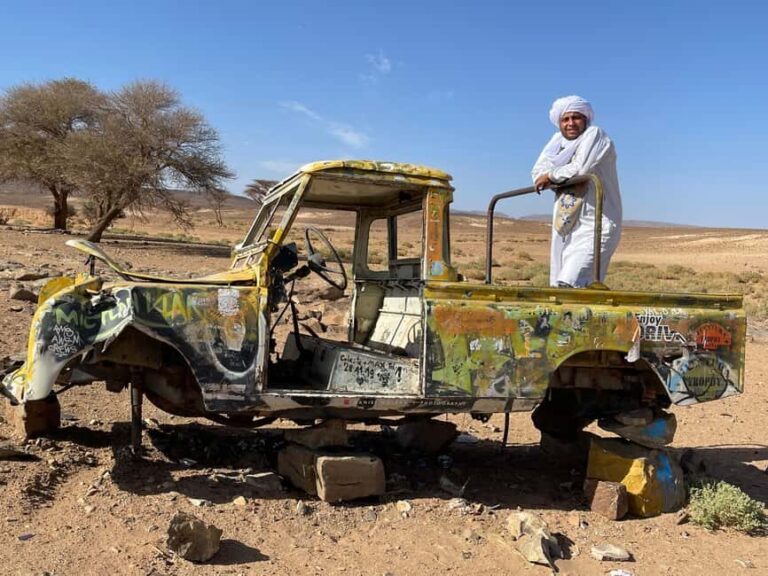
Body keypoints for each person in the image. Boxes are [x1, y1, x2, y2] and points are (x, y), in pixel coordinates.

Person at [531, 95, 622, 288]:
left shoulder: (595, 135)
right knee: (562, 287)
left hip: (596, 226)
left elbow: (580, 169)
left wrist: (551, 176)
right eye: (565, 119)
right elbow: (537, 173)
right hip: (566, 226)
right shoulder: (557, 143)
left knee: (570, 283)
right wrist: (554, 177)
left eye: (576, 117)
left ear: (586, 119)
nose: (570, 123)